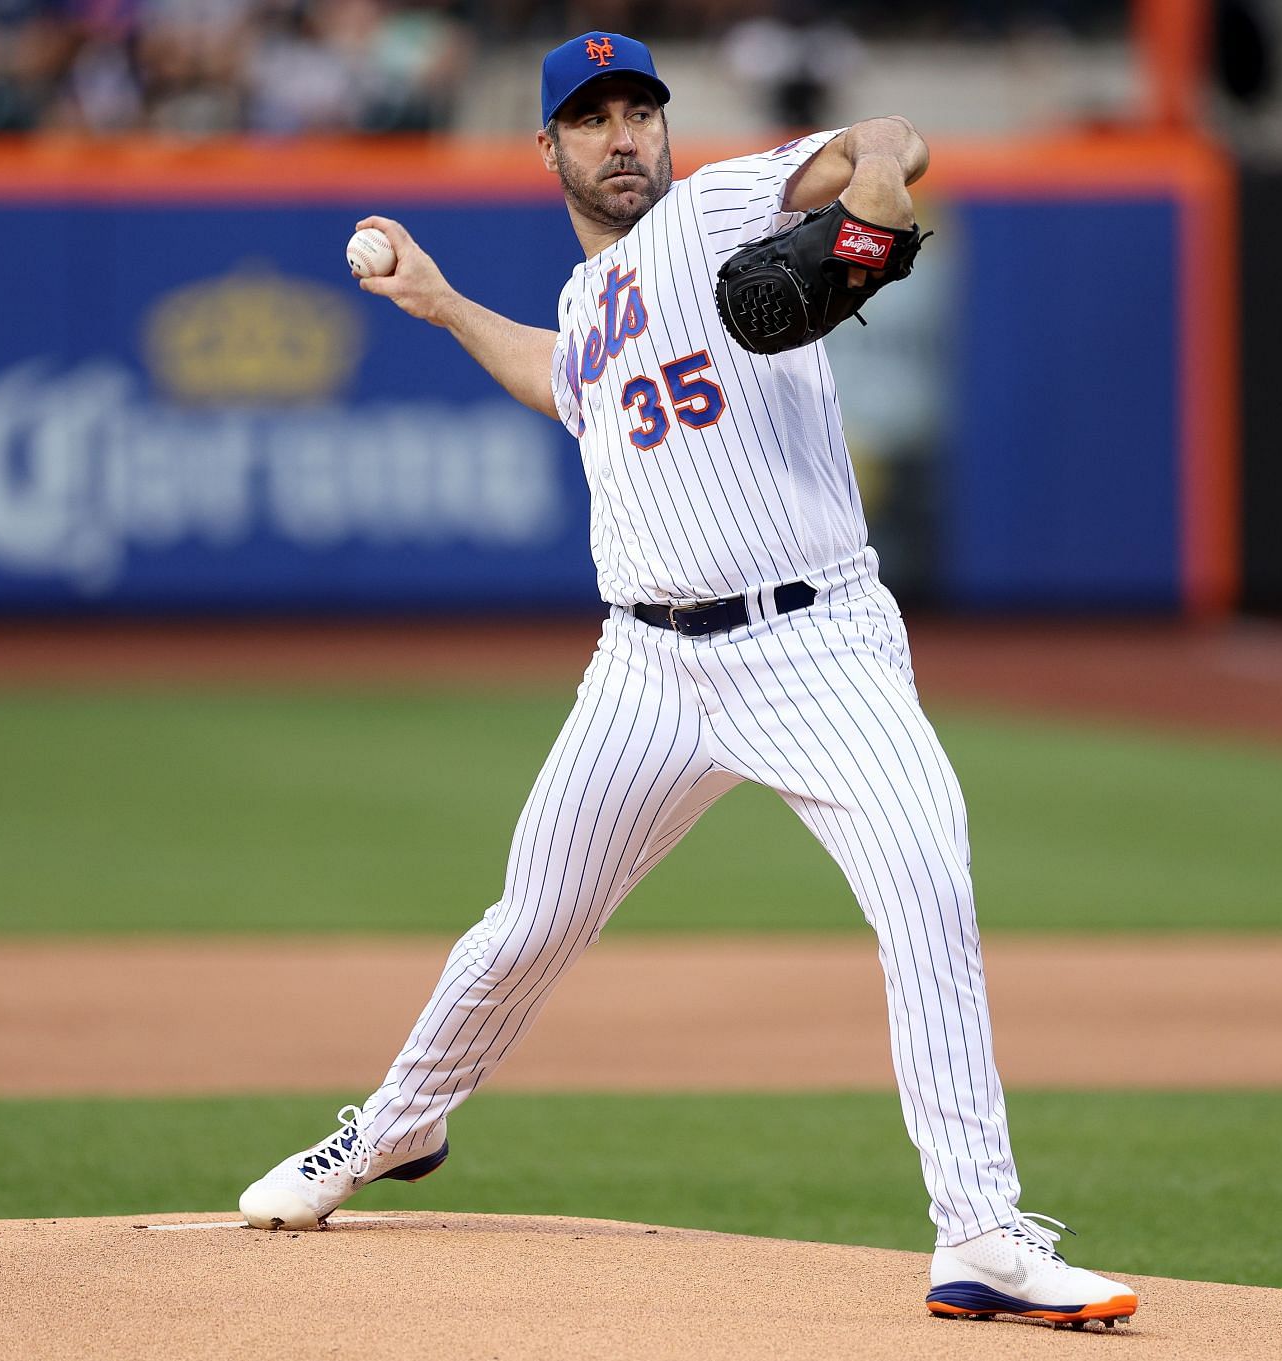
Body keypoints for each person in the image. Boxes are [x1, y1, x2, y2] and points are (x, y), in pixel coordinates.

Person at [239, 29, 1138, 1329]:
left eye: (638, 111)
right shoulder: (584, 300)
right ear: (547, 145)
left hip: (814, 645)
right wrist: (437, 303)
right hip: (645, 668)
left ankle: (982, 1234)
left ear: (665, 127)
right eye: (593, 118)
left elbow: (884, 151)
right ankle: (387, 1128)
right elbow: (566, 384)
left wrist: (878, 196)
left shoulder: (720, 202)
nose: (623, 136)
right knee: (526, 922)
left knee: (928, 887)